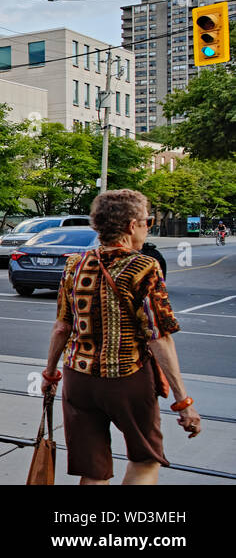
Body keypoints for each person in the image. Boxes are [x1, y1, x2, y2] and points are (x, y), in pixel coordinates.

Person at [40, 189, 201, 485]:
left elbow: (61, 327)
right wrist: (183, 401)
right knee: (145, 459)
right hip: (127, 377)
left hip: (78, 378)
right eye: (146, 222)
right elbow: (158, 336)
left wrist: (50, 375)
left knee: (93, 471)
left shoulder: (75, 265)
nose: (146, 228)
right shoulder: (144, 267)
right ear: (130, 226)